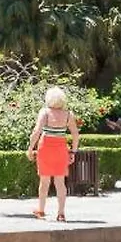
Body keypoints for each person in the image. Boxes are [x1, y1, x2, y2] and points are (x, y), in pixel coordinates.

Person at [29, 87, 80, 221]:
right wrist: (73, 150)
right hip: (60, 149)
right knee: (60, 182)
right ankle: (61, 213)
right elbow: (75, 134)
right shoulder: (68, 114)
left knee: (44, 181)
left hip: (45, 148)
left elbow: (36, 131)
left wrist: (30, 148)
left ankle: (41, 210)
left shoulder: (44, 112)